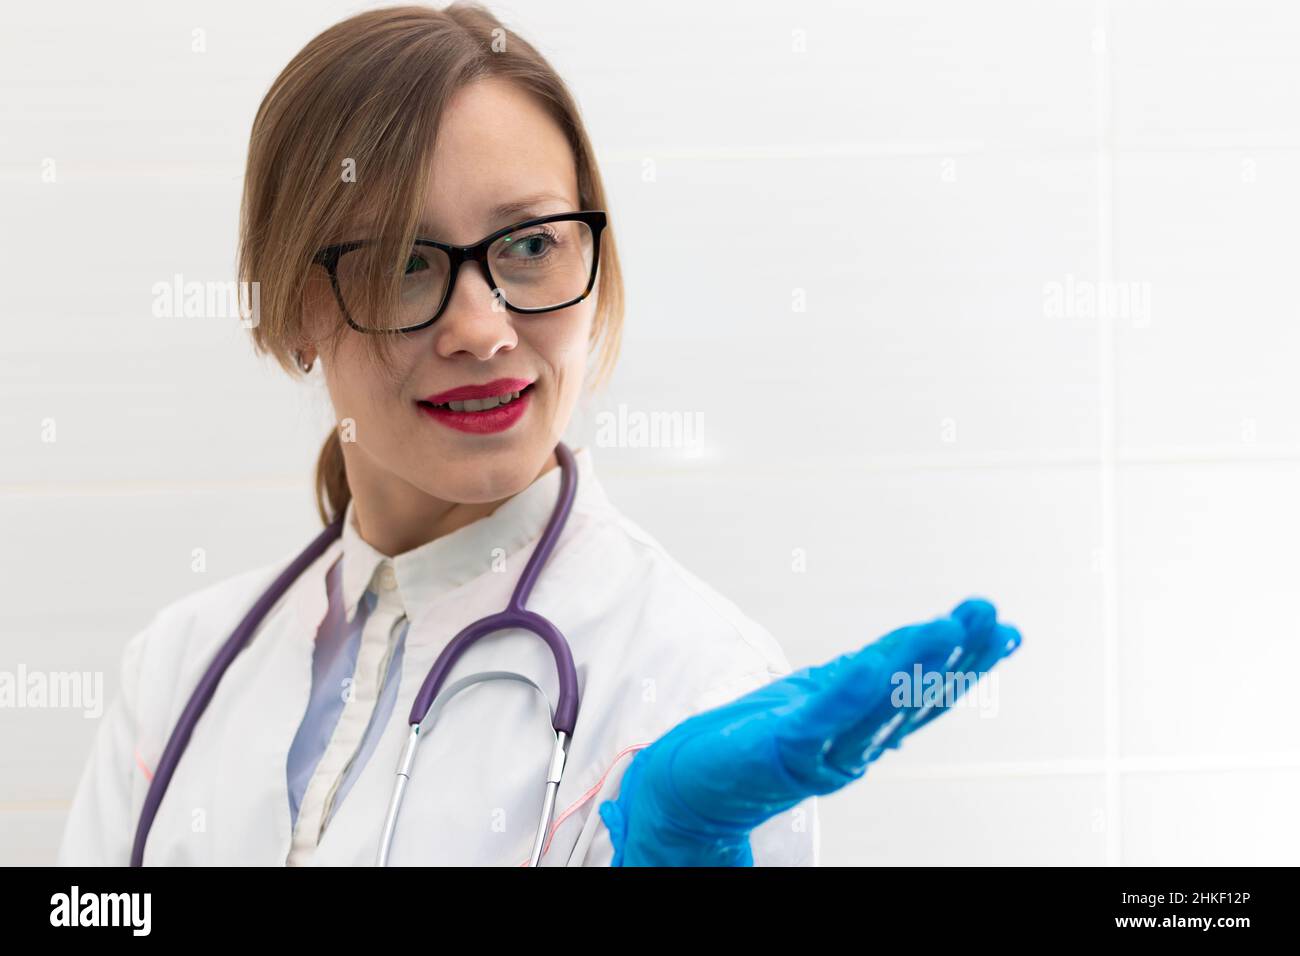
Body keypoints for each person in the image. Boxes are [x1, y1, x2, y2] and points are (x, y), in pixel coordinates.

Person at [57, 2, 1020, 868]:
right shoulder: (179, 676)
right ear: (299, 303)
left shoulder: (697, 689)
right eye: (403, 261)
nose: (482, 329)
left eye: (530, 245)